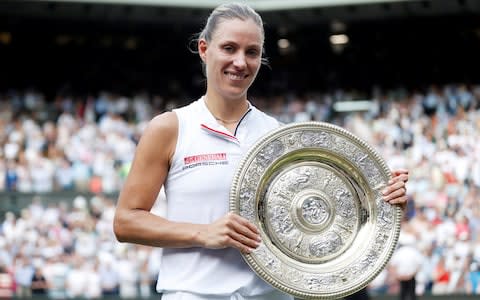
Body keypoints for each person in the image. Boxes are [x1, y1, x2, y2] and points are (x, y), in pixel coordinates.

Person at [113, 2, 410, 300]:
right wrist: (202, 233)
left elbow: (320, 215)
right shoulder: (171, 127)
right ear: (204, 49)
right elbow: (126, 221)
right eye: (229, 48)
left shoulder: (281, 136)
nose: (240, 62)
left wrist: (382, 203)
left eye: (251, 52)